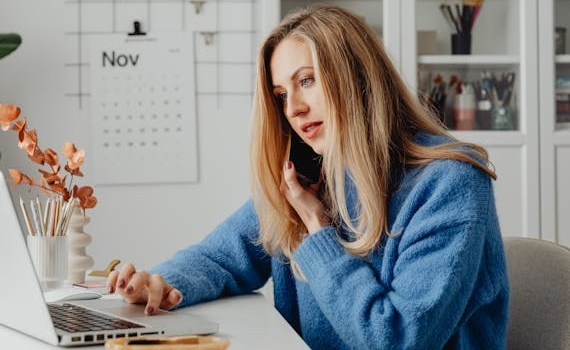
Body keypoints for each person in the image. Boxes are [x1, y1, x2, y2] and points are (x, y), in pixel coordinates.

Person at [107, 4, 509, 349]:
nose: (293, 109)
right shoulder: (314, 176)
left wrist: (317, 230)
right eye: (281, 95)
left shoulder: (450, 184)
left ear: (359, 79)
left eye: (306, 80)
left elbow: (397, 337)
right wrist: (158, 283)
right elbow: (221, 257)